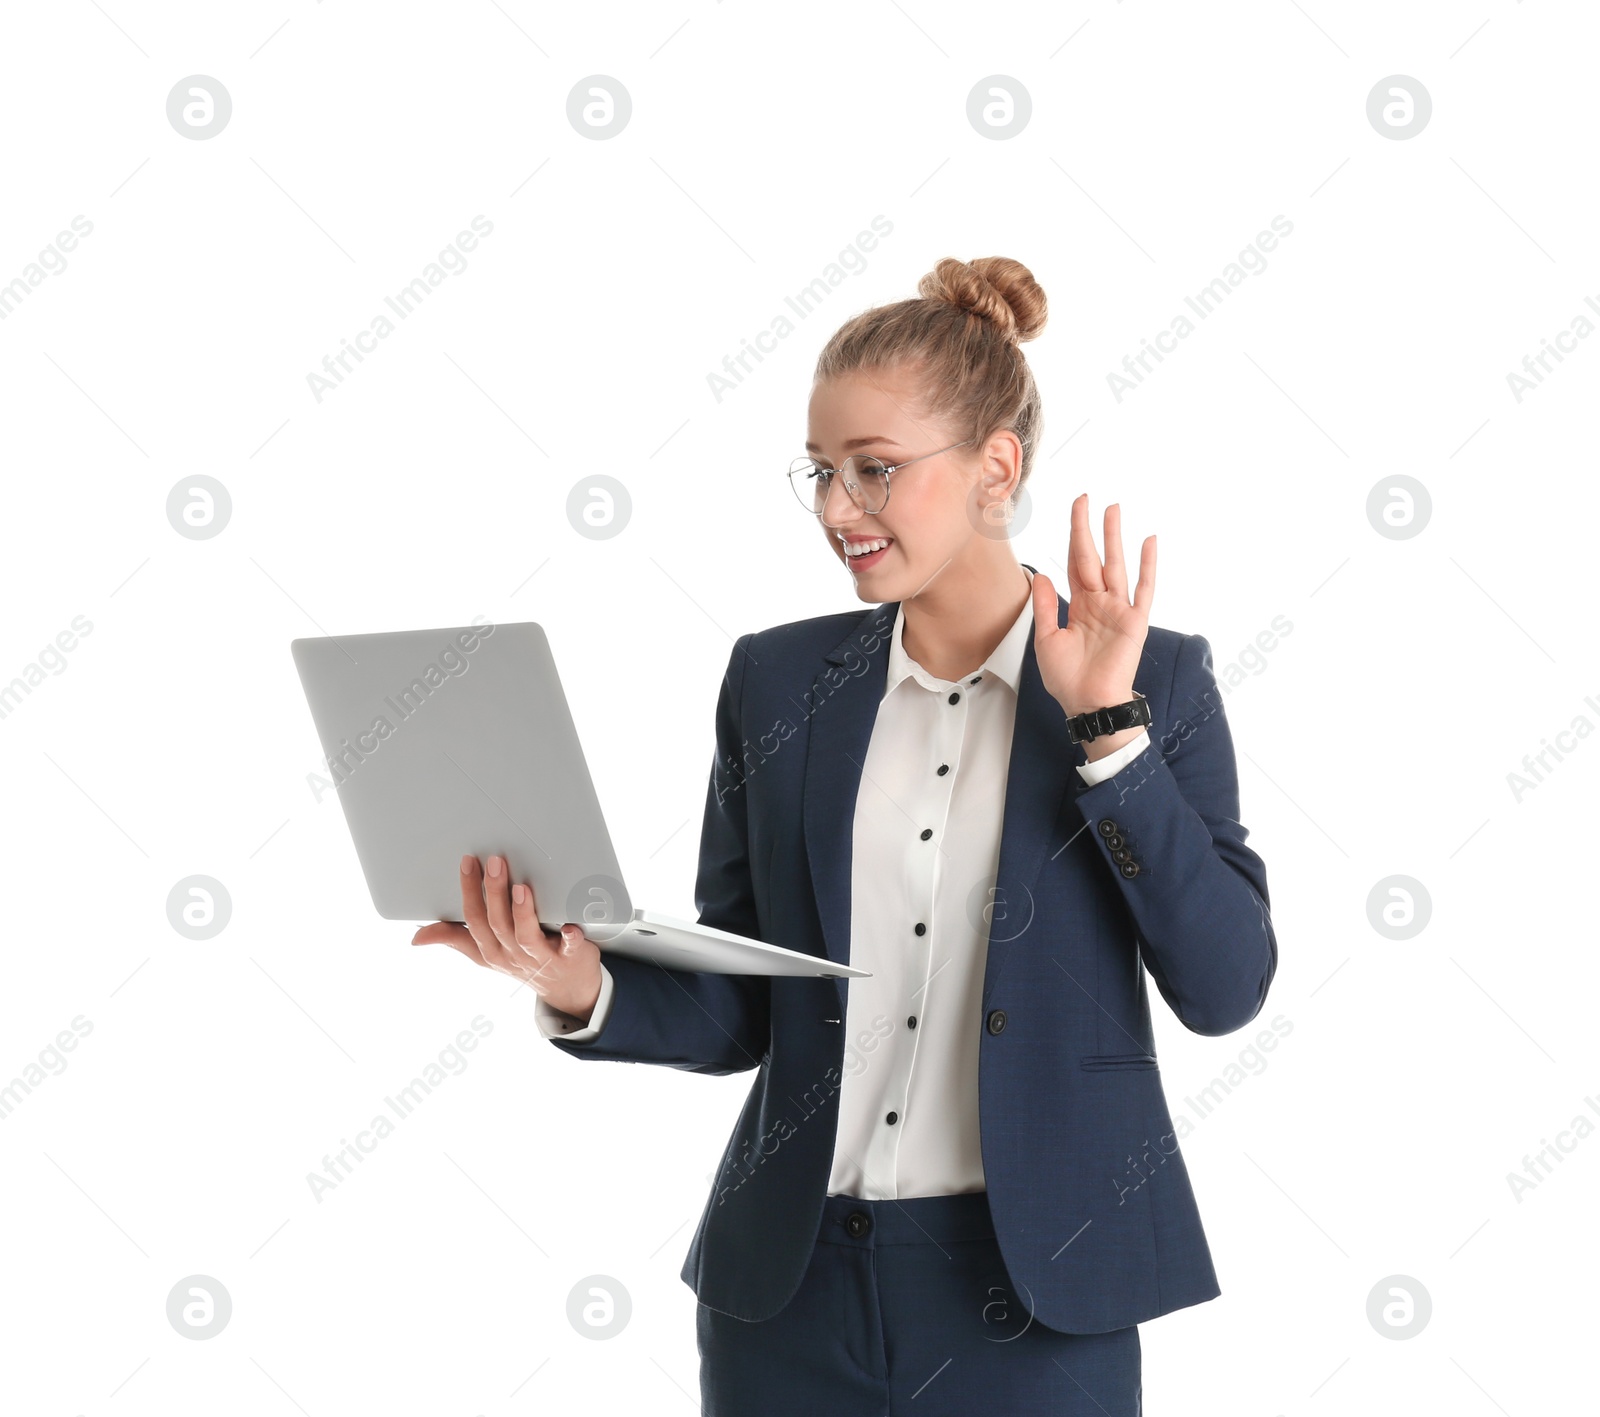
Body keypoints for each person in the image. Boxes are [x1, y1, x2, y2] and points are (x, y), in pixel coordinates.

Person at [412, 256, 1278, 1415]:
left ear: (995, 467)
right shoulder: (777, 684)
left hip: (1038, 1302)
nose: (834, 508)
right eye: (819, 472)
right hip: (790, 1292)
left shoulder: (1153, 680)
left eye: (874, 470)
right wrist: (578, 979)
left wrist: (1107, 736)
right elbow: (744, 999)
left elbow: (1225, 986)